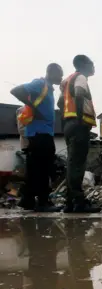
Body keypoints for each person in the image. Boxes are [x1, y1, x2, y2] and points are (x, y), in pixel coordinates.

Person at [10, 63, 64, 212]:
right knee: (44, 168)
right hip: (39, 134)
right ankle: (43, 202)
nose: (61, 77)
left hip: (42, 134)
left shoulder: (49, 89)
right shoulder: (40, 83)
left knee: (35, 168)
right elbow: (16, 90)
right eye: (59, 74)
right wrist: (33, 107)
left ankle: (27, 200)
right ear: (51, 72)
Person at [58, 55, 101, 213]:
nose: (93, 67)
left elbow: (60, 103)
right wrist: (80, 119)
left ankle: (70, 202)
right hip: (78, 125)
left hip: (69, 125)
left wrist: (67, 120)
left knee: (72, 164)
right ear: (83, 65)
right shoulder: (81, 77)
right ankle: (79, 202)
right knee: (77, 165)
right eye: (91, 64)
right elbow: (79, 93)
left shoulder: (67, 80)